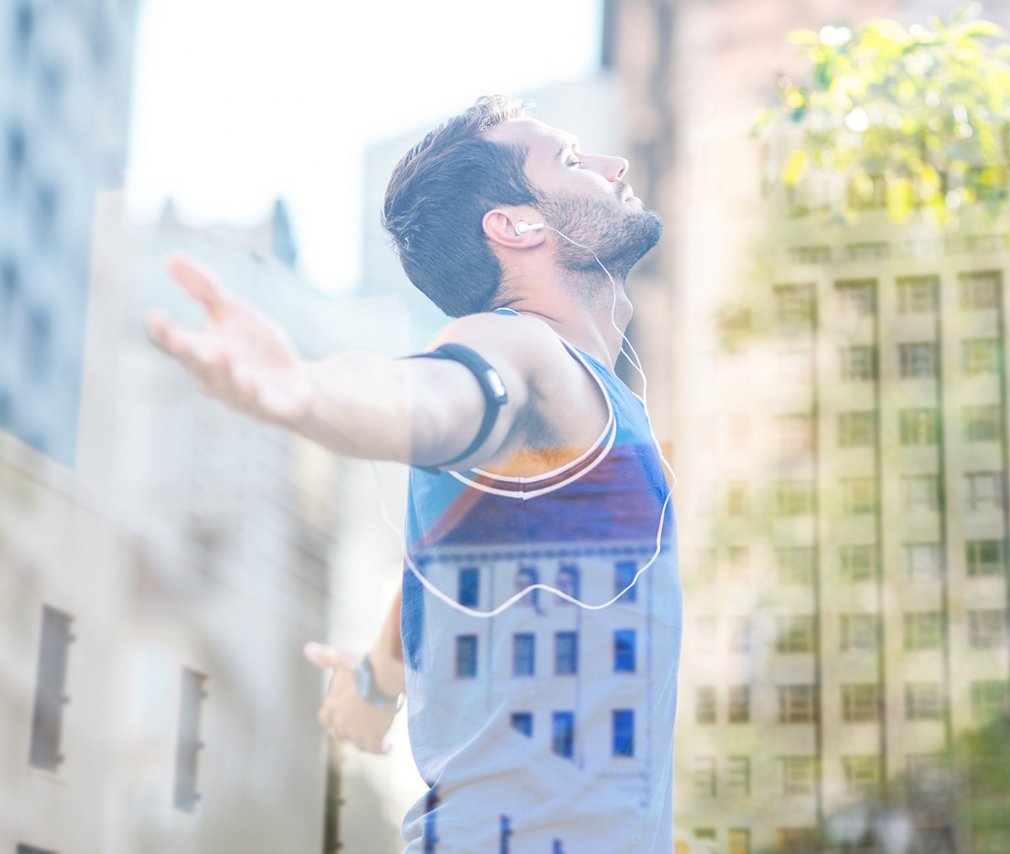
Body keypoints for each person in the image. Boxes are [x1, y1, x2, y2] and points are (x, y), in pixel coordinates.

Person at [147, 95, 681, 853]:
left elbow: (468, 536)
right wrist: (307, 390)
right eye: (568, 160)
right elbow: (437, 393)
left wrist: (378, 671)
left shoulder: (599, 396)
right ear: (516, 224)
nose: (611, 165)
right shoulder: (518, 348)